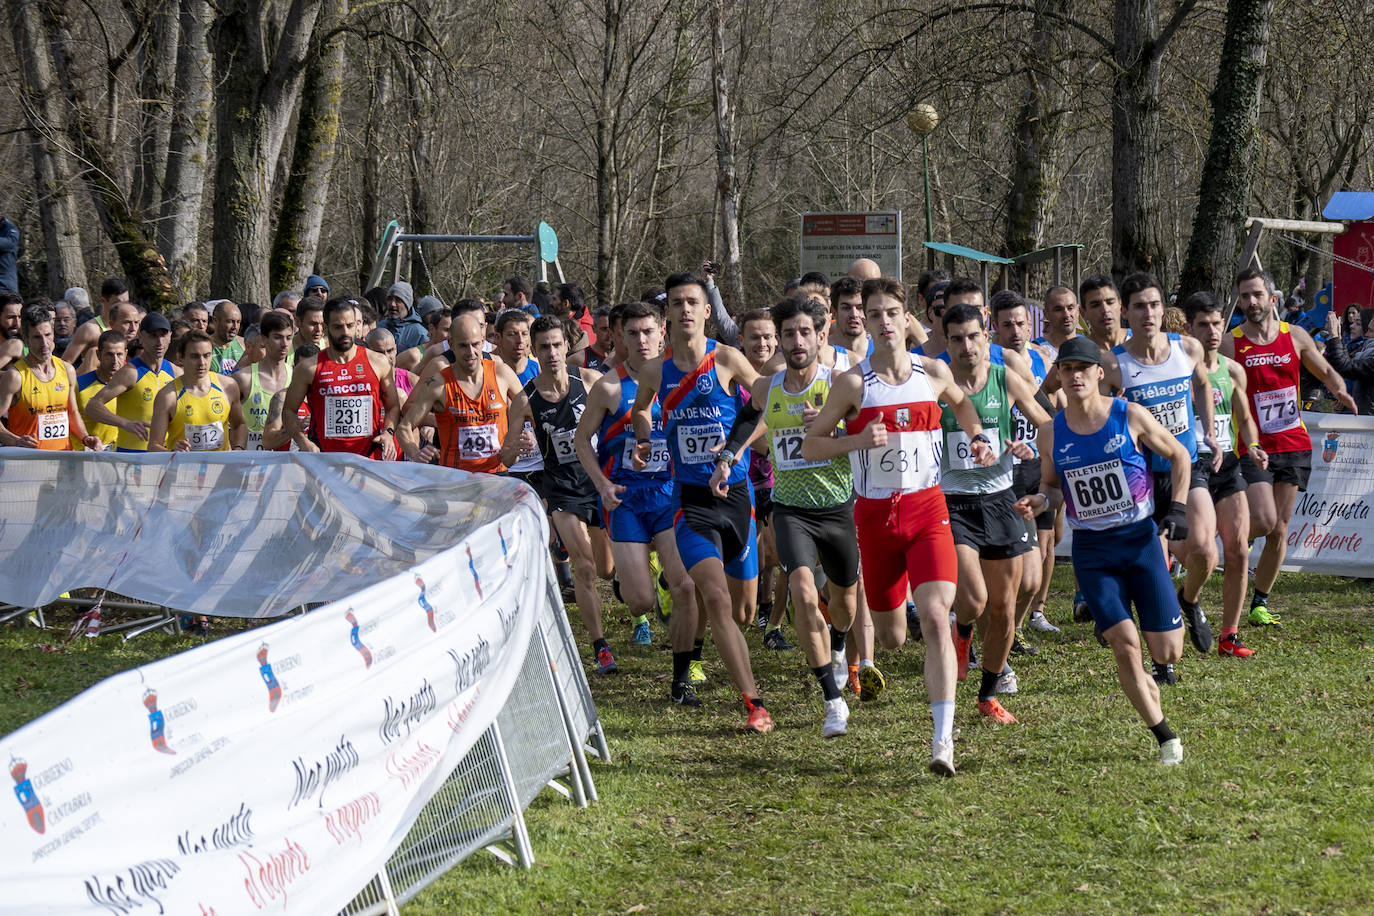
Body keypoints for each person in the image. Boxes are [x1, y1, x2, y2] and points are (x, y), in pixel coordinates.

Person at [801, 277, 995, 775]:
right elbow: (812, 445)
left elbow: (963, 404)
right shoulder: (853, 383)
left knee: (934, 617)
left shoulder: (932, 372)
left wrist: (975, 436)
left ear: (904, 318)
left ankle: (942, 741)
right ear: (862, 322)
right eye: (875, 314)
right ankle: (848, 645)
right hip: (875, 517)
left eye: (892, 313)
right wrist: (857, 441)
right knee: (891, 638)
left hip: (928, 510)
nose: (884, 323)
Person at [1016, 335, 1189, 766]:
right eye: (1066, 368)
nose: (1074, 375)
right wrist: (1042, 501)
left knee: (1167, 652)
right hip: (1093, 552)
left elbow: (1181, 455)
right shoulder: (1051, 432)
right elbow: (1053, 488)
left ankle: (1158, 645)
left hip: (1141, 542)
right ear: (1058, 376)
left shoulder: (1128, 415)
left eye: (1082, 368)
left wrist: (1180, 510)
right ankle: (1164, 735)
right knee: (1125, 644)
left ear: (1098, 373)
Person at [630, 271, 773, 734]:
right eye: (677, 303)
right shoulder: (654, 370)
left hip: (736, 498)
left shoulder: (728, 360)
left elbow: (766, 412)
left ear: (707, 310)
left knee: (744, 611)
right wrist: (645, 437)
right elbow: (641, 408)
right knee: (712, 596)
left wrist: (732, 455)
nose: (685, 310)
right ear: (667, 313)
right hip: (688, 502)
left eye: (693, 302)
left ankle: (709, 652)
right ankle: (753, 703)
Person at [746, 296, 862, 736]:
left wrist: (835, 424)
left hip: (838, 507)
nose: (797, 341)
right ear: (780, 339)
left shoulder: (842, 384)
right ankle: (832, 701)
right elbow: (746, 420)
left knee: (845, 604)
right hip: (791, 508)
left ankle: (836, 643)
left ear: (821, 336)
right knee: (800, 586)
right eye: (788, 334)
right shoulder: (767, 387)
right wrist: (727, 454)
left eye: (805, 333)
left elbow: (869, 432)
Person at [575, 301, 702, 698]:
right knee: (640, 602)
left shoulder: (679, 378)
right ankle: (634, 586)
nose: (642, 341)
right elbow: (582, 440)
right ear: (618, 336)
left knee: (684, 587)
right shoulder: (609, 387)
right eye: (633, 333)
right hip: (625, 500)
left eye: (649, 332)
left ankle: (682, 677)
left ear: (663, 332)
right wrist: (601, 484)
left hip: (669, 495)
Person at [1221, 267, 1355, 626]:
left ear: (1272, 299)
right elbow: (1210, 378)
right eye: (1244, 296)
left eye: (1257, 295)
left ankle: (1260, 602)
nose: (1251, 302)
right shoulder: (1231, 342)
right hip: (1252, 445)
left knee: (1281, 527)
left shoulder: (1293, 335)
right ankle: (1226, 543)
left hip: (1293, 442)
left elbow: (1324, 370)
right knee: (1263, 520)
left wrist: (1339, 389)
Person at [936, 302, 1049, 722]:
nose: (966, 346)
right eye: (956, 339)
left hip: (1001, 498)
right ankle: (962, 629)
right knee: (974, 598)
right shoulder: (937, 381)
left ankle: (987, 695)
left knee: (1004, 609)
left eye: (972, 336)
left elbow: (1045, 422)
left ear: (987, 336)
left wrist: (1030, 447)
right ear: (946, 343)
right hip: (952, 502)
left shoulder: (1006, 378)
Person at [1100, 272, 1219, 673]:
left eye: (1154, 305)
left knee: (1204, 551)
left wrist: (1211, 432)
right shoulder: (1114, 365)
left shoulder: (1187, 348)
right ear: (1126, 312)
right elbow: (1099, 417)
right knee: (1152, 568)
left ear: (1163, 309)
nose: (1148, 313)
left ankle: (1190, 600)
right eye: (1138, 306)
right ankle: (1161, 657)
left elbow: (1202, 384)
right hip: (1140, 479)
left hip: (1184, 466)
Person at [1184, 291, 1267, 658]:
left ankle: (1229, 636)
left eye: (1217, 323)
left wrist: (1254, 446)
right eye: (1203, 324)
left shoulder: (1233, 370)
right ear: (1189, 328)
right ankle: (1190, 600)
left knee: (1238, 550)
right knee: (1201, 553)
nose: (1213, 331)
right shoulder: (1178, 370)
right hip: (1192, 464)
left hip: (1229, 463)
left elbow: (1246, 419)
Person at [990, 290, 1061, 643]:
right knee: (1019, 558)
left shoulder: (1040, 357)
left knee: (1047, 544)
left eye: (1021, 323)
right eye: (1007, 325)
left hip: (1039, 464)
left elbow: (1052, 405)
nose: (1016, 331)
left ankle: (1023, 621)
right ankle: (1003, 625)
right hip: (1008, 472)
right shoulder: (993, 365)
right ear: (994, 326)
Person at [396, 310, 527, 472]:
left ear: (483, 341)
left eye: (475, 344)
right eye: (463, 346)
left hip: (497, 477)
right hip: (455, 478)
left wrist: (518, 438)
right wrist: (415, 454)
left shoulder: (501, 373)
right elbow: (404, 427)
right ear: (451, 344)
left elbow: (530, 409)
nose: (471, 353)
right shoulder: (438, 383)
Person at [282, 297, 400, 459]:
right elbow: (288, 411)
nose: (345, 332)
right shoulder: (308, 368)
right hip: (324, 458)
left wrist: (388, 433)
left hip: (368, 458)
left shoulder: (378, 362)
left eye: (350, 326)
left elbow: (393, 406)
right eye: (338, 327)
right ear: (326, 328)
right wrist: (303, 442)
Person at [736, 308, 790, 649]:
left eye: (769, 336)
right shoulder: (734, 380)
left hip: (776, 480)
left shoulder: (785, 378)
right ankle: (757, 608)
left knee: (780, 555)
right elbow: (745, 434)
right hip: (741, 481)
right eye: (755, 337)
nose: (763, 343)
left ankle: (773, 625)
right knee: (757, 558)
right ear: (740, 340)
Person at [0, 304, 102, 450]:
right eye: (37, 337)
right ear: (25, 338)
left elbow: (72, 413)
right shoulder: (16, 377)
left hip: (61, 460)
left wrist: (86, 437)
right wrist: (16, 441)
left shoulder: (67, 370)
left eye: (48, 335)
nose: (44, 343)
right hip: (26, 464)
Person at [85, 312, 182, 452]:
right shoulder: (131, 372)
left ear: (170, 337)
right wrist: (125, 423)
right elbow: (92, 407)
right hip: (131, 457)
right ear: (141, 337)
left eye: (163, 335)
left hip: (165, 456)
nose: (159, 341)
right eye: (153, 336)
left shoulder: (176, 372)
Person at [147, 331, 247, 451]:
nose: (202, 363)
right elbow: (153, 446)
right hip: (184, 468)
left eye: (207, 355)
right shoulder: (167, 395)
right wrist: (172, 452)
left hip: (219, 468)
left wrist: (238, 448)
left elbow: (239, 424)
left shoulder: (227, 386)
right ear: (180, 357)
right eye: (194, 356)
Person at [494, 309, 544, 488]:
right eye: (512, 334)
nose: (520, 340)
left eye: (524, 334)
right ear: (497, 338)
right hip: (499, 465)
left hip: (539, 464)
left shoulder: (540, 369)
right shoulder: (489, 372)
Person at [234, 310, 294, 450]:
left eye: (289, 337)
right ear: (263, 339)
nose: (284, 344)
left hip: (285, 464)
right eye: (278, 337)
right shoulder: (243, 378)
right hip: (250, 464)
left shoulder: (296, 376)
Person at [61, 279, 131, 369]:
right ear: (103, 301)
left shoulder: (130, 327)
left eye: (126, 303)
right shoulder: (90, 329)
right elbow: (64, 364)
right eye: (117, 303)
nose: (123, 307)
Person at [75, 329, 127, 450]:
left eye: (119, 354)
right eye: (109, 354)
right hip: (85, 454)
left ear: (125, 354)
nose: (115, 361)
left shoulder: (131, 387)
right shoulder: (79, 385)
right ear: (98, 355)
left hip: (118, 455)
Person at [1081, 274, 1128, 351]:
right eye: (1095, 305)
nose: (1105, 310)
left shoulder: (1140, 339)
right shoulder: (1078, 353)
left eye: (1110, 302)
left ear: (1121, 305)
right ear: (1083, 313)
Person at [382, 281, 428, 353]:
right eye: (389, 299)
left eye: (398, 300)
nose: (392, 304)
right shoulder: (379, 327)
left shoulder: (420, 334)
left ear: (407, 304)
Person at [208, 301, 245, 373]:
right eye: (230, 321)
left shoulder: (244, 345)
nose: (235, 327)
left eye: (238, 322)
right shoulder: (205, 345)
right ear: (215, 321)